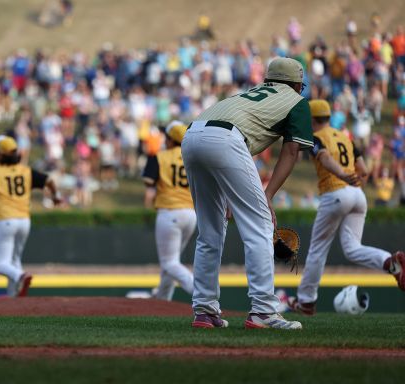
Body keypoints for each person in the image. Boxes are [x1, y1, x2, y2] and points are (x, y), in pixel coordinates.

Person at [181, 58, 313, 330]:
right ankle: (263, 311)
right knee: (261, 225)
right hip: (227, 140)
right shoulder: (296, 101)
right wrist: (269, 195)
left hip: (192, 135)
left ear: (268, 80)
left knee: (210, 231)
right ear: (298, 84)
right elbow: (290, 152)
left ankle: (205, 311)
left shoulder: (248, 94)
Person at [287, 100, 405, 315]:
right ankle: (390, 262)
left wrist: (341, 174)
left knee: (317, 250)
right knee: (352, 248)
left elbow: (323, 157)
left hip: (335, 192)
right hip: (358, 195)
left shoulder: (317, 136)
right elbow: (364, 169)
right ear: (329, 117)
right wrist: (353, 178)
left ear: (312, 119)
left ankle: (306, 301)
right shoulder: (345, 137)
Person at [0, 135, 61, 297]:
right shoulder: (26, 171)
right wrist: (55, 196)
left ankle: (21, 276)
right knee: (15, 261)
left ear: (0, 155)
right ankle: (14, 297)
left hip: (5, 219)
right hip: (24, 221)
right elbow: (49, 180)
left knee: (1, 265)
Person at [142, 122, 195, 301]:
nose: (165, 140)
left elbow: (149, 184)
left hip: (169, 212)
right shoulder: (193, 157)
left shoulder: (160, 156)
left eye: (167, 137)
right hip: (190, 214)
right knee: (171, 260)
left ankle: (201, 292)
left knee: (169, 262)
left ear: (172, 140)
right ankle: (163, 298)